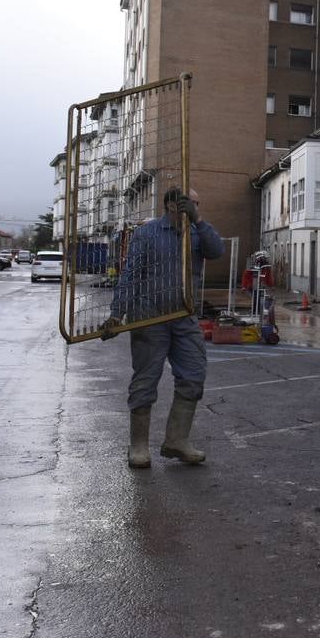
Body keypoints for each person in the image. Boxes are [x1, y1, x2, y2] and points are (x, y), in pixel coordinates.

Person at [102, 187, 224, 468]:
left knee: (194, 374)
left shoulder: (196, 232)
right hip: (148, 317)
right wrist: (117, 314)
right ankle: (139, 446)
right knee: (146, 379)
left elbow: (217, 251)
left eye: (197, 203)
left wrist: (199, 220)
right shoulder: (147, 233)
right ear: (171, 204)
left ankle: (176, 441)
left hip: (184, 316)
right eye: (189, 203)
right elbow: (131, 274)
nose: (194, 207)